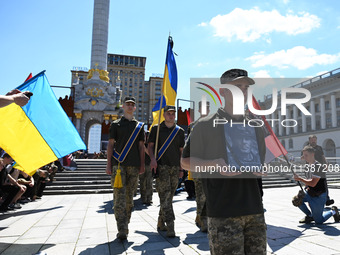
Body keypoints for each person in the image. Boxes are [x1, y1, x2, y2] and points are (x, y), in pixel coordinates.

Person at [181, 69, 267, 254]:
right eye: (237, 87)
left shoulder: (255, 126)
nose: (243, 92)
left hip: (254, 209)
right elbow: (185, 162)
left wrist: (263, 168)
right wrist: (213, 164)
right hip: (223, 211)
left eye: (246, 88)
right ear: (222, 91)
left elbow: (261, 161)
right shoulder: (204, 124)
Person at [105, 96, 145, 240]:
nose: (129, 106)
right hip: (119, 167)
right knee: (119, 199)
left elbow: (141, 147)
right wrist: (109, 164)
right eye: (127, 104)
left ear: (134, 108)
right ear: (123, 106)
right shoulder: (116, 124)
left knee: (129, 199)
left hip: (134, 166)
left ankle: (125, 223)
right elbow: (110, 144)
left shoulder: (139, 126)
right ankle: (122, 228)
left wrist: (142, 164)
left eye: (132, 104)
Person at [148, 105, 185, 237]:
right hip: (161, 167)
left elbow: (181, 151)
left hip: (175, 168)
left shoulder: (180, 131)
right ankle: (171, 226)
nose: (171, 116)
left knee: (169, 197)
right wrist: (152, 159)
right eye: (168, 113)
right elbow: (150, 147)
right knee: (165, 197)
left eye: (173, 113)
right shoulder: (157, 129)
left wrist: (181, 168)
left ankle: (160, 221)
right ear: (164, 115)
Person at [294, 145, 339, 224]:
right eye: (303, 155)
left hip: (319, 195)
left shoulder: (318, 166)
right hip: (310, 192)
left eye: (306, 155)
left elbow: (313, 183)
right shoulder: (308, 166)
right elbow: (309, 181)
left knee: (319, 221)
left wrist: (300, 179)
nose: (304, 157)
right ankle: (310, 216)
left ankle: (333, 212)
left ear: (312, 154)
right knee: (297, 200)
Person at [304, 135, 334, 206]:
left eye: (315, 140)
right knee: (312, 184)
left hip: (320, 168)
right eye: (312, 140)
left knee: (324, 184)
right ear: (309, 140)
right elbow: (304, 157)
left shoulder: (319, 148)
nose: (313, 141)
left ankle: (327, 199)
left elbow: (323, 157)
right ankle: (311, 199)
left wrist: (326, 164)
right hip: (311, 168)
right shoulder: (307, 148)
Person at [139, 131, 153, 205]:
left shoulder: (150, 145)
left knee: (149, 182)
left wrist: (145, 148)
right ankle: (143, 197)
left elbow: (151, 154)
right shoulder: (140, 144)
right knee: (142, 182)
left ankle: (149, 198)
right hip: (142, 165)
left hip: (149, 165)